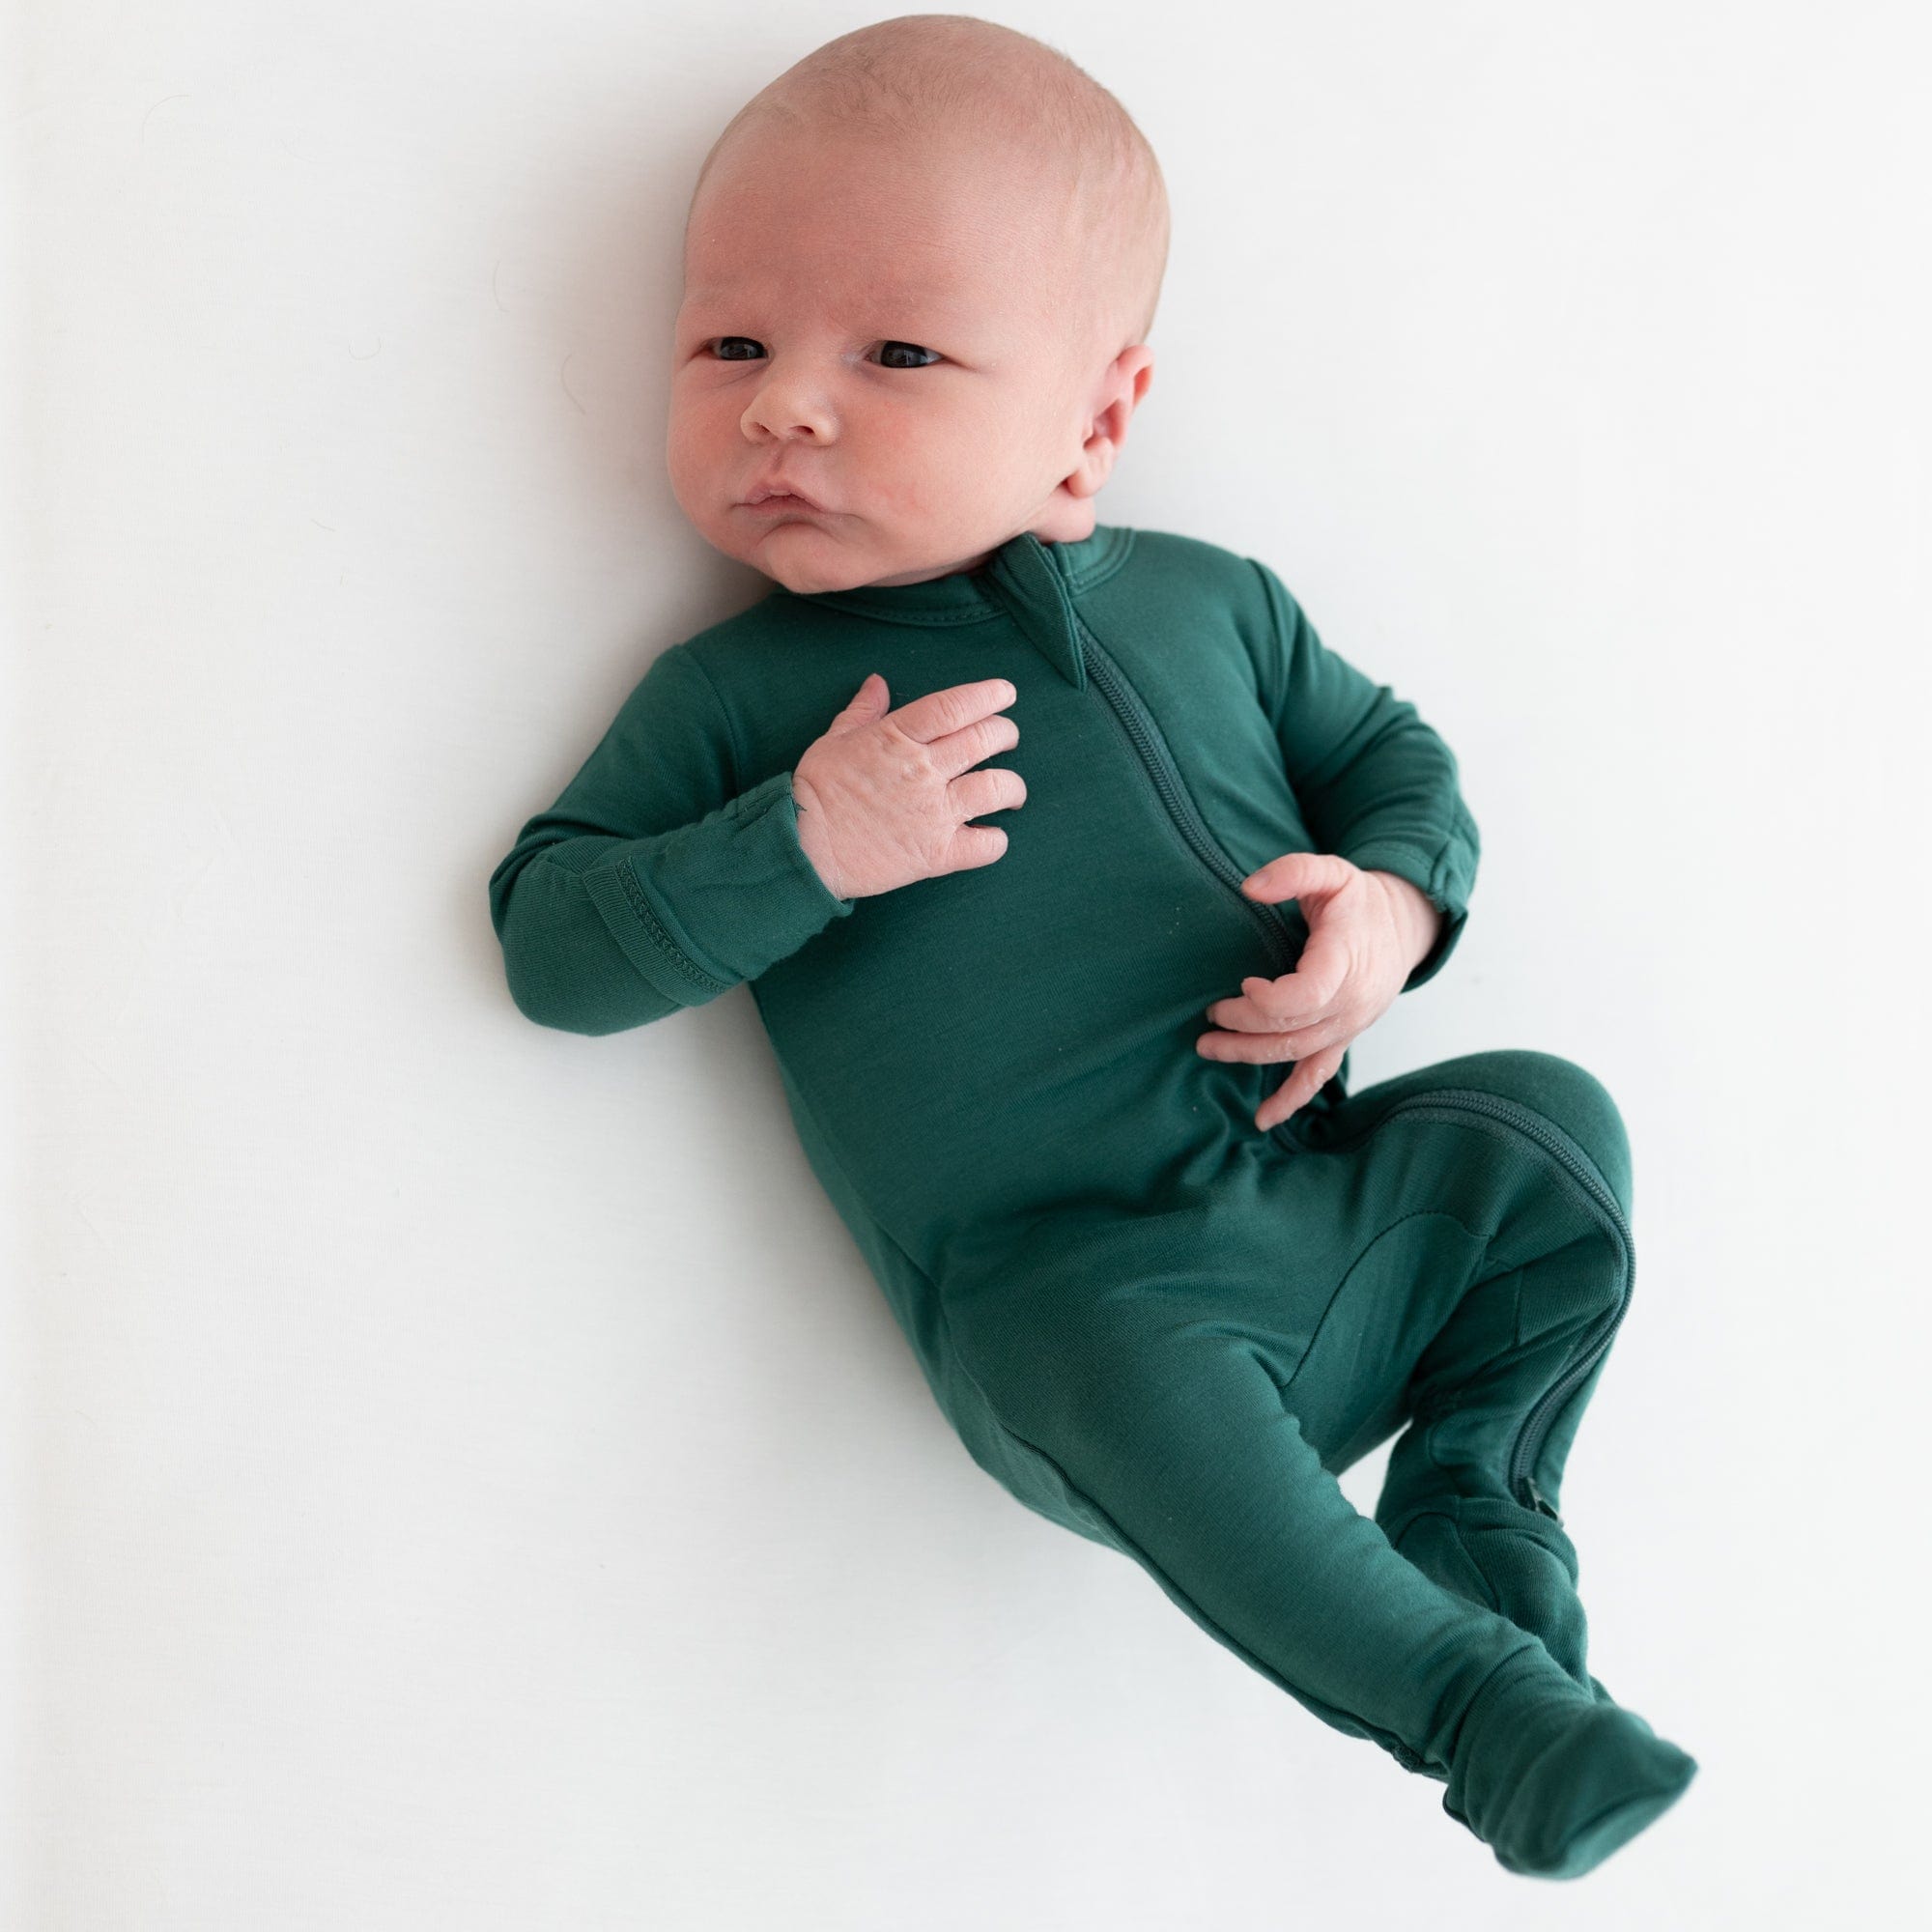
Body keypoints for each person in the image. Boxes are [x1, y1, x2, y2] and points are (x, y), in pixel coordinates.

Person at [487, 14, 1697, 1878]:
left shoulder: (1218, 601)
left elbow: (1400, 765)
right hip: (1086, 1317)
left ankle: (1480, 1495)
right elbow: (554, 944)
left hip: (1334, 1215)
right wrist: (803, 838)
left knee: (1549, 1129)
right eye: (730, 341)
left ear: (1099, 417)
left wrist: (1391, 912)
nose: (783, 404)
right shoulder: (742, 699)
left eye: (895, 353)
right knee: (1132, 1370)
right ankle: (1480, 1713)